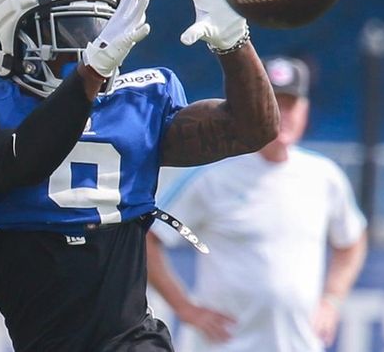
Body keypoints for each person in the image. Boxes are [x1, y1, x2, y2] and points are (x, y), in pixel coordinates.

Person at [0, 0, 279, 352]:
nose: (91, 43)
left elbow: (250, 129)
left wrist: (233, 42)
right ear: (12, 37)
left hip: (134, 341)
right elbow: (14, 163)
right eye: (71, 29)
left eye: (101, 27)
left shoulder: (138, 103)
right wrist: (90, 73)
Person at [145, 56, 367, 352]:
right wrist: (186, 308)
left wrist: (332, 299)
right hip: (225, 345)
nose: (282, 114)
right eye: (273, 103)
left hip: (299, 344)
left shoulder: (324, 176)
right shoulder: (213, 174)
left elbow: (352, 240)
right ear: (252, 108)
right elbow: (148, 236)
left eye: (291, 104)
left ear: (306, 110)